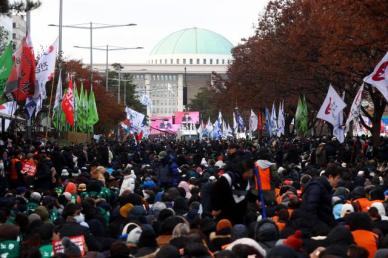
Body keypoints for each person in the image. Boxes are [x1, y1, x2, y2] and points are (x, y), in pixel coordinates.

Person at [299, 163, 342, 235]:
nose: (339, 181)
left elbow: (325, 212)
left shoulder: (325, 187)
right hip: (312, 230)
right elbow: (310, 210)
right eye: (337, 178)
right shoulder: (317, 187)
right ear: (330, 177)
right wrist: (322, 229)